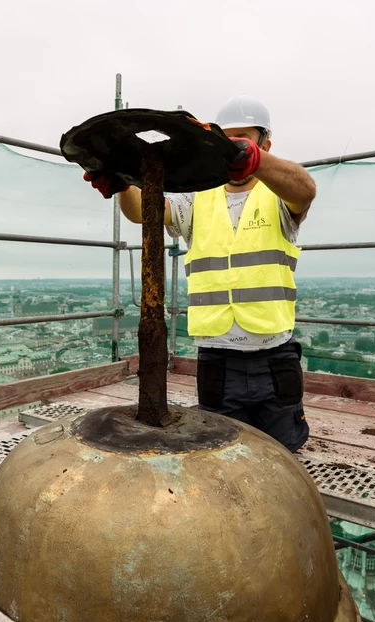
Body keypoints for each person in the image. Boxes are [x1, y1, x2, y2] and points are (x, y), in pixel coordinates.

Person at [85, 94, 316, 452]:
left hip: (272, 355)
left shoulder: (278, 194)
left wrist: (257, 163)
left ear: (265, 145)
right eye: (226, 139)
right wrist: (122, 185)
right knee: (219, 455)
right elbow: (144, 211)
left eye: (243, 140)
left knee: (283, 452)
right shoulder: (198, 199)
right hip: (216, 357)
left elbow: (305, 189)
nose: (232, 148)